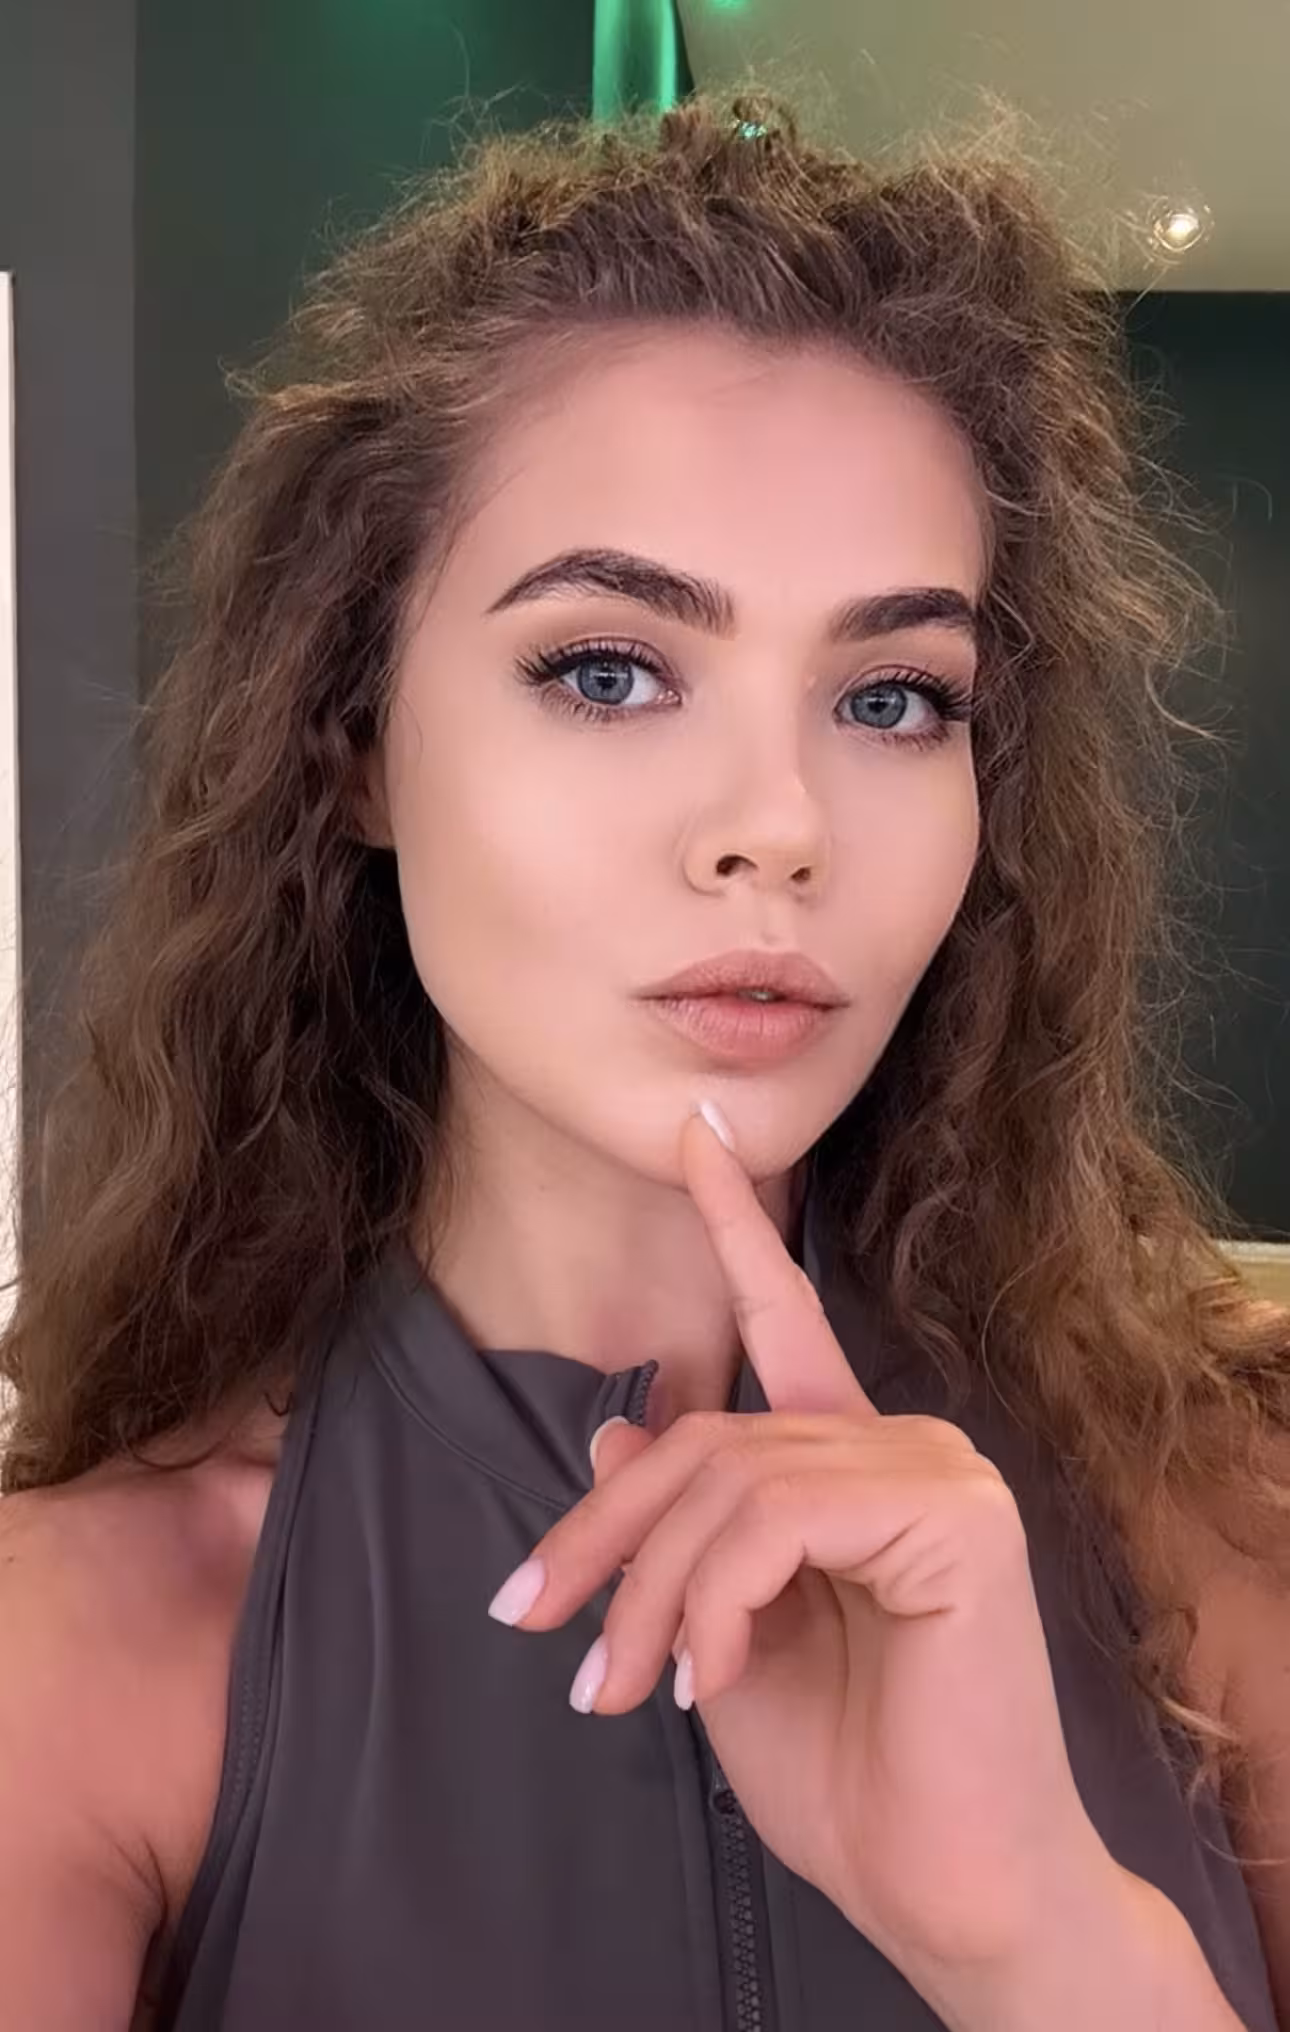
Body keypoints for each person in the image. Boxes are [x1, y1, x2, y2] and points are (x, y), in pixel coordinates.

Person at [0, 82, 1287, 2032]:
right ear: (354, 748)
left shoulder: (1222, 1535)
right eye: (607, 669)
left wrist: (1041, 1938)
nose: (776, 825)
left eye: (892, 696)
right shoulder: (80, 1652)